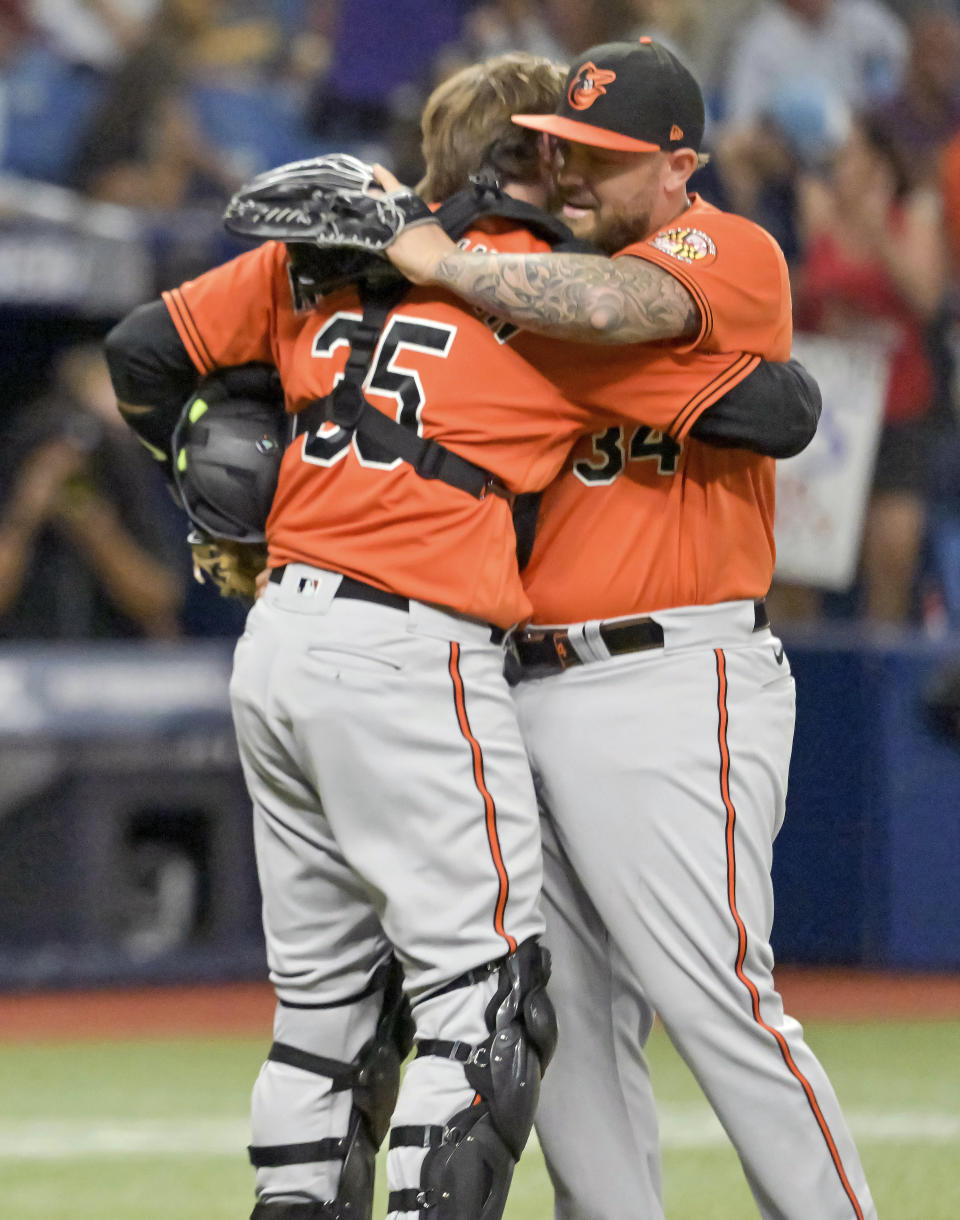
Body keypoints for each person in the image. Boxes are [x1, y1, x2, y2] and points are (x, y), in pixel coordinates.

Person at [373, 38, 876, 1220]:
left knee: (718, 996)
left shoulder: (718, 246)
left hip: (672, 668)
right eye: (565, 151)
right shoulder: (513, 283)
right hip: (522, 679)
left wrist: (437, 258)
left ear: (680, 163)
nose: (579, 173)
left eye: (606, 157)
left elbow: (616, 305)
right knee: (566, 1038)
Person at [793, 111, 946, 623]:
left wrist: (881, 233)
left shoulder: (914, 221)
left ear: (878, 163)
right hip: (827, 412)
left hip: (896, 412)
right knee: (799, 568)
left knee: (892, 557)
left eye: (851, 152)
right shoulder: (817, 214)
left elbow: (926, 299)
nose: (840, 163)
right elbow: (794, 293)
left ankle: (881, 692)